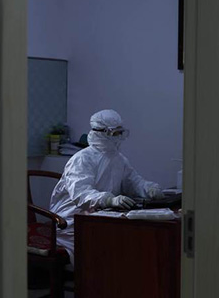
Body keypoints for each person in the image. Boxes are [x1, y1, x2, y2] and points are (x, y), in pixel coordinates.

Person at [50, 109, 163, 260]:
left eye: (120, 132)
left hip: (101, 217)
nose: (118, 137)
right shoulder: (82, 159)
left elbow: (133, 181)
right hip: (71, 222)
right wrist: (109, 199)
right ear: (101, 132)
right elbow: (81, 193)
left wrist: (148, 188)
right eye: (114, 133)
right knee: (106, 250)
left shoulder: (118, 158)